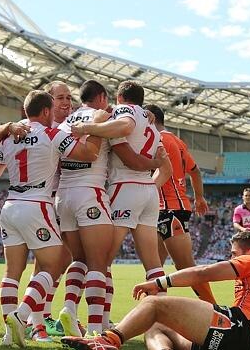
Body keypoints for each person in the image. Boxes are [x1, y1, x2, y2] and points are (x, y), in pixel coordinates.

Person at [0, 90, 103, 348]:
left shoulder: (9, 137)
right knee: (54, 265)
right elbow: (89, 154)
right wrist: (96, 128)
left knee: (12, 273)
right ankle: (22, 315)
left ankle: (9, 335)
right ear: (47, 111)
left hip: (10, 206)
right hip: (36, 204)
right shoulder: (52, 134)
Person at [57, 80, 167, 337]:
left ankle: (96, 324)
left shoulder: (108, 115)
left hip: (121, 188)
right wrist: (149, 176)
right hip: (149, 192)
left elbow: (125, 131)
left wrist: (88, 127)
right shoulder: (151, 121)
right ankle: (161, 320)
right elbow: (166, 168)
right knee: (153, 263)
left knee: (100, 261)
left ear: (118, 98)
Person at [62, 231, 250, 350]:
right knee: (154, 327)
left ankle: (108, 341)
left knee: (154, 304)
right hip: (238, 342)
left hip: (236, 329)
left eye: (233, 253)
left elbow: (203, 272)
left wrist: (159, 283)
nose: (231, 257)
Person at [144, 104, 215, 305]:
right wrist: (199, 197)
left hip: (169, 209)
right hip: (166, 208)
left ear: (151, 118)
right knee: (154, 267)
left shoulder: (158, 140)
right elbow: (195, 170)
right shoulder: (177, 141)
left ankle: (215, 310)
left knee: (184, 266)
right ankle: (153, 313)